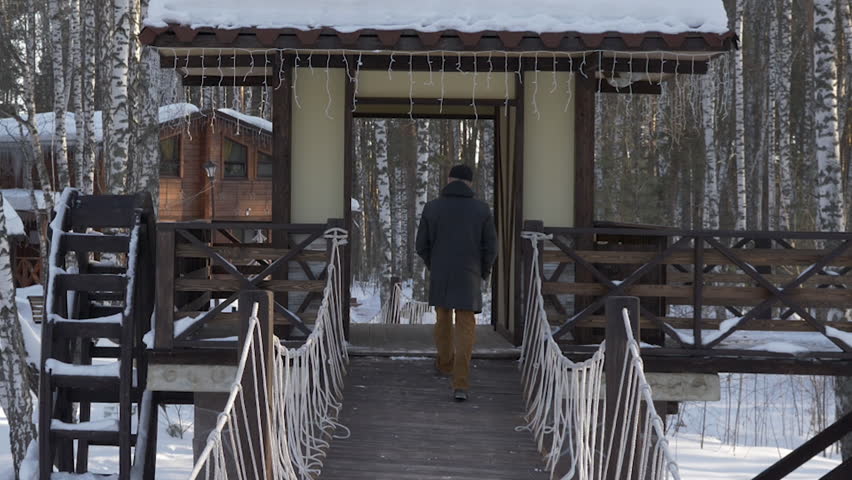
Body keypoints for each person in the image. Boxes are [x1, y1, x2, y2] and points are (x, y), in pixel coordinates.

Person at [415, 164, 497, 402]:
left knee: (442, 320)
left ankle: (444, 364)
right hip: (469, 274)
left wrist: (434, 264)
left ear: (449, 179)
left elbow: (421, 245)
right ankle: (460, 383)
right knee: (466, 325)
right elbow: (491, 247)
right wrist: (482, 271)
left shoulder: (432, 207)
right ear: (469, 183)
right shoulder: (481, 209)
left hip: (441, 272)